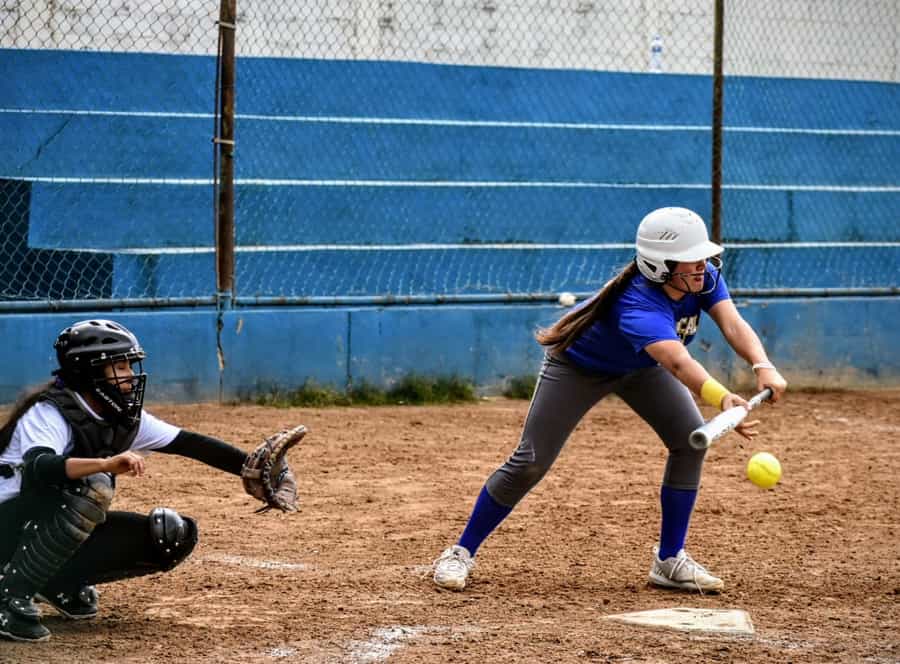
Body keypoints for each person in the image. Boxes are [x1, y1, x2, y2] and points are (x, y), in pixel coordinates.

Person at [432, 207, 787, 593]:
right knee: (530, 462)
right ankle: (460, 552)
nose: (701, 266)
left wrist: (762, 364)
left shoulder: (702, 279)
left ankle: (669, 561)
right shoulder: (637, 302)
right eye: (690, 260)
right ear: (659, 265)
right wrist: (722, 399)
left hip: (639, 368)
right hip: (579, 368)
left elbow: (733, 322)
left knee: (688, 442)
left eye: (702, 256)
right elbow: (677, 362)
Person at [0, 319, 298, 642]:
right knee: (91, 486)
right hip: (8, 526)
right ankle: (9, 598)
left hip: (34, 531)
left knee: (169, 534)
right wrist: (105, 463)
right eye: (119, 365)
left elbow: (190, 444)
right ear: (89, 373)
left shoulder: (120, 418)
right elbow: (39, 468)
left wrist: (258, 470)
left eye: (129, 363)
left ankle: (54, 581)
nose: (129, 374)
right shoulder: (50, 413)